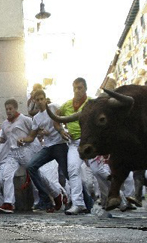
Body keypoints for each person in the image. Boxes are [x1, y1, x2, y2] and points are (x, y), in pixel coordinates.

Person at [55, 77, 93, 214]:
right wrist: (60, 131)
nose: (77, 90)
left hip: (91, 142)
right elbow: (55, 118)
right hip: (74, 143)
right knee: (72, 170)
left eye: (80, 88)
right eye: (75, 88)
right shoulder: (66, 105)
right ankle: (78, 204)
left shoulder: (92, 103)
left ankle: (119, 198)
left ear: (85, 89)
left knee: (99, 172)